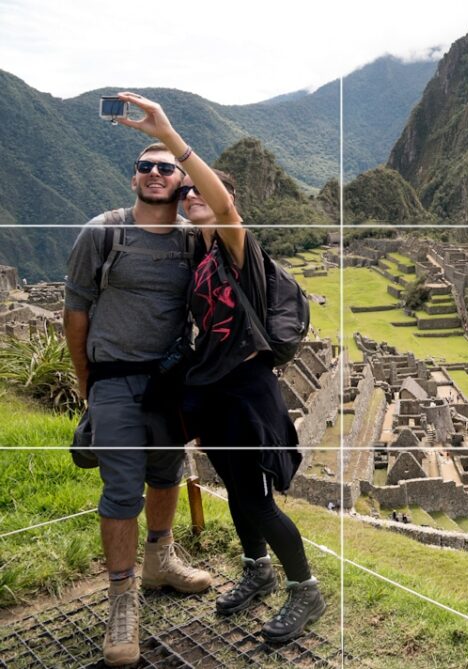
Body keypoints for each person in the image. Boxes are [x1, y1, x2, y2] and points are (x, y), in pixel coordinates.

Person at [114, 92, 325, 644]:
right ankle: (257, 570)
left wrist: (169, 138)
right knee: (234, 488)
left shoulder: (238, 248)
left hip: (247, 392)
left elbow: (225, 209)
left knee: (255, 497)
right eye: (187, 195)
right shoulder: (199, 257)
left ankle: (306, 589)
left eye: (201, 190)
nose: (192, 198)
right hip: (214, 389)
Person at [64, 140, 212, 666]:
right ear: (134, 179)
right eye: (145, 167)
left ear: (180, 180)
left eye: (166, 168)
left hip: (168, 384)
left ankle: (160, 560)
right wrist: (90, 384)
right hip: (114, 381)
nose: (154, 173)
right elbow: (76, 312)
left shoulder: (192, 242)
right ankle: (122, 600)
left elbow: (229, 225)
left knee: (168, 474)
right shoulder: (102, 232)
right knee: (121, 490)